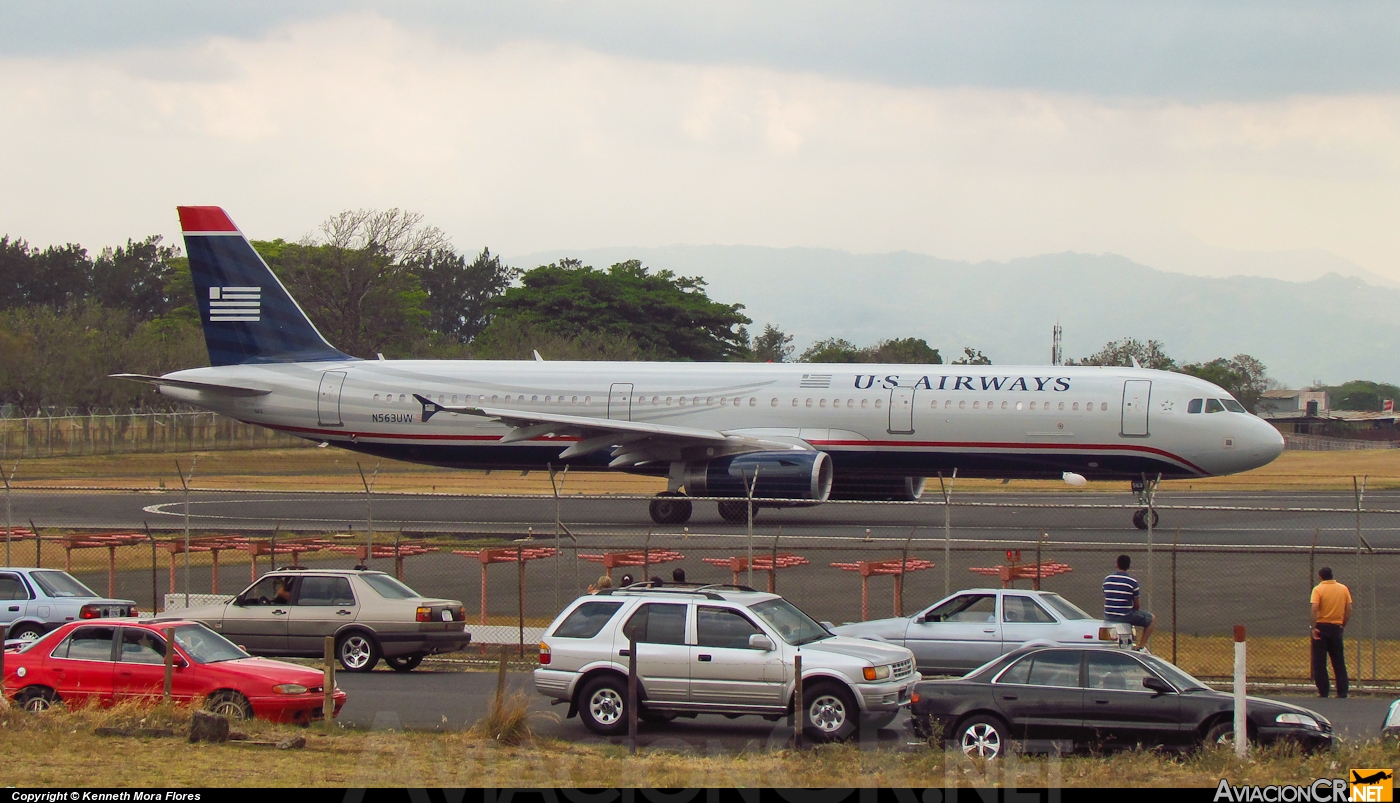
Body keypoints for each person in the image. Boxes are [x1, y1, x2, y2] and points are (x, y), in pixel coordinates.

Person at [1310, 566, 1352, 698]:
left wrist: (1313, 627)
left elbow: (1315, 608)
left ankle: (1323, 691)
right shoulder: (1343, 589)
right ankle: (1342, 690)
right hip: (1336, 627)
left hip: (1321, 627)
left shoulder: (1318, 589)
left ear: (1320, 577)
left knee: (1319, 661)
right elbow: (1349, 608)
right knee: (1339, 660)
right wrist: (1342, 624)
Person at [1103, 555, 1154, 651]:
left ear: (1117, 564)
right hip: (1125, 615)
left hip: (1108, 615)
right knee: (1152, 619)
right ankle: (1141, 646)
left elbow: (1106, 596)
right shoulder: (1132, 582)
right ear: (1128, 566)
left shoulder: (1107, 580)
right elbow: (1137, 605)